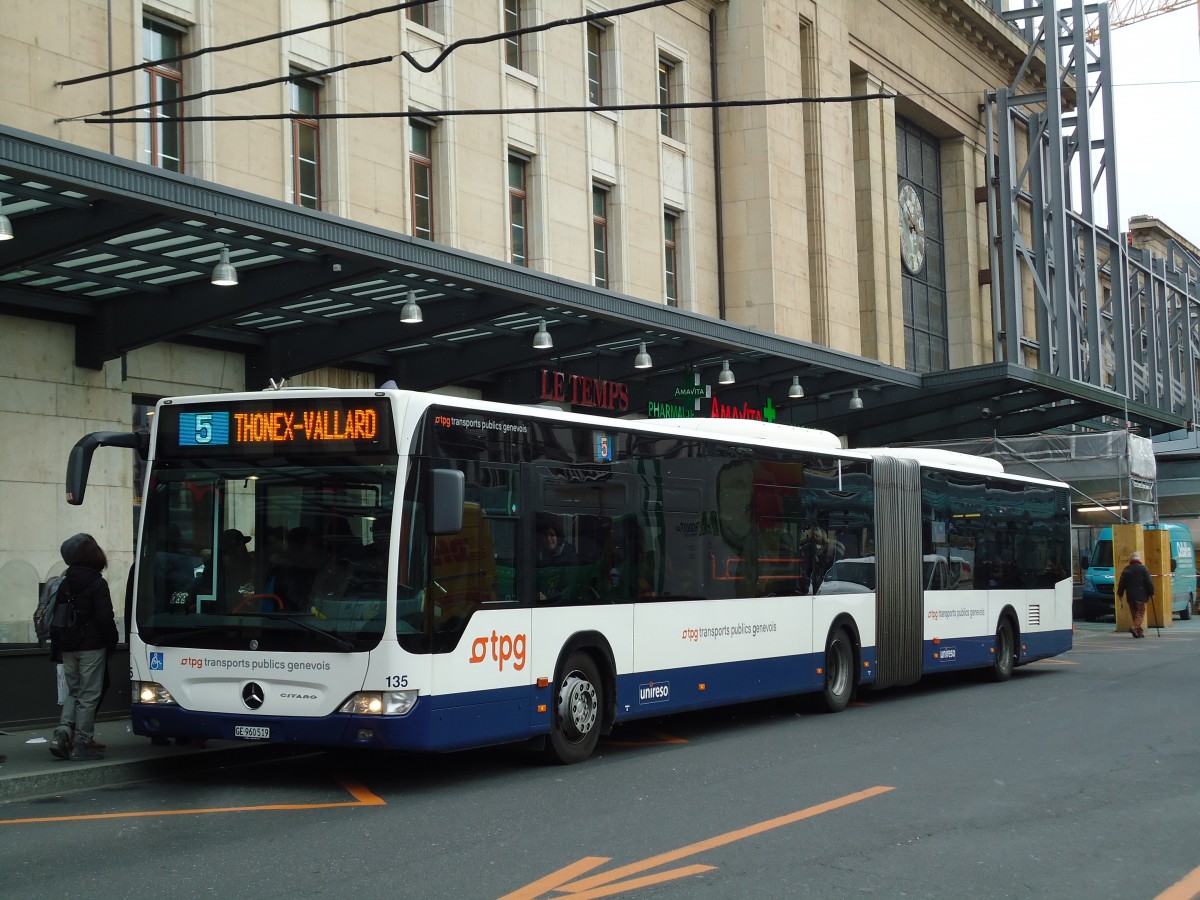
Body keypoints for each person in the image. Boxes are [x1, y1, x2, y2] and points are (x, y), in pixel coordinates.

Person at [49, 533, 119, 762]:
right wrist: (112, 641)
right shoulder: (98, 583)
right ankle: (81, 742)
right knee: (89, 695)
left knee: (75, 691)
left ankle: (61, 734)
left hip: (68, 646)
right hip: (91, 646)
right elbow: (104, 618)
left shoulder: (65, 581)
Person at [1117, 550, 1155, 639]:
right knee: (1140, 613)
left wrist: (1120, 594)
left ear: (1131, 559)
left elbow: (1121, 583)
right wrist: (1151, 592)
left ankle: (1139, 632)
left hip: (1130, 596)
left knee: (1135, 614)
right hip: (1141, 596)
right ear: (1139, 559)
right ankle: (1134, 628)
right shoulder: (1143, 568)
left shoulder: (1126, 569)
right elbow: (1148, 582)